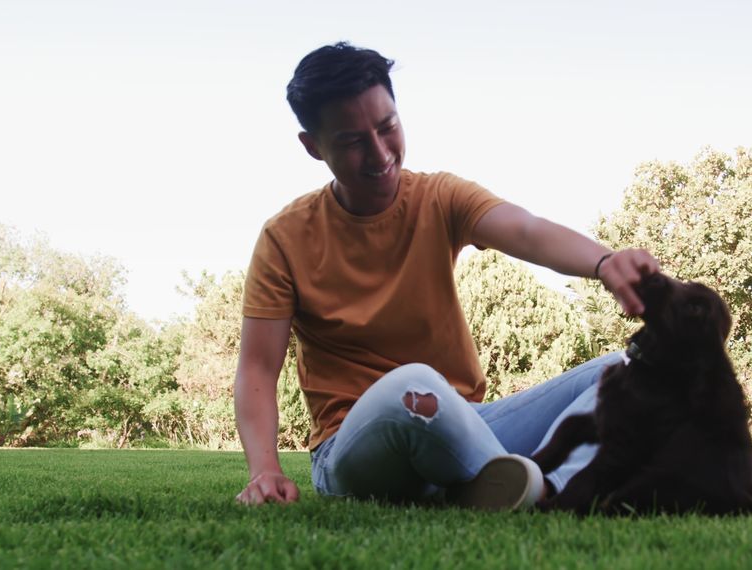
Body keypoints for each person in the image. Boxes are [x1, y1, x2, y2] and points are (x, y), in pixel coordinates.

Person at [233, 42, 659, 509]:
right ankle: (523, 481)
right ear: (313, 146)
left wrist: (603, 262)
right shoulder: (285, 238)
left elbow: (526, 229)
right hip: (354, 448)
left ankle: (546, 489)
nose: (379, 154)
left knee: (631, 369)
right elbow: (257, 368)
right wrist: (265, 470)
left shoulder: (439, 197)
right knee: (412, 385)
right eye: (353, 141)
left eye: (387, 127)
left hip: (465, 423)